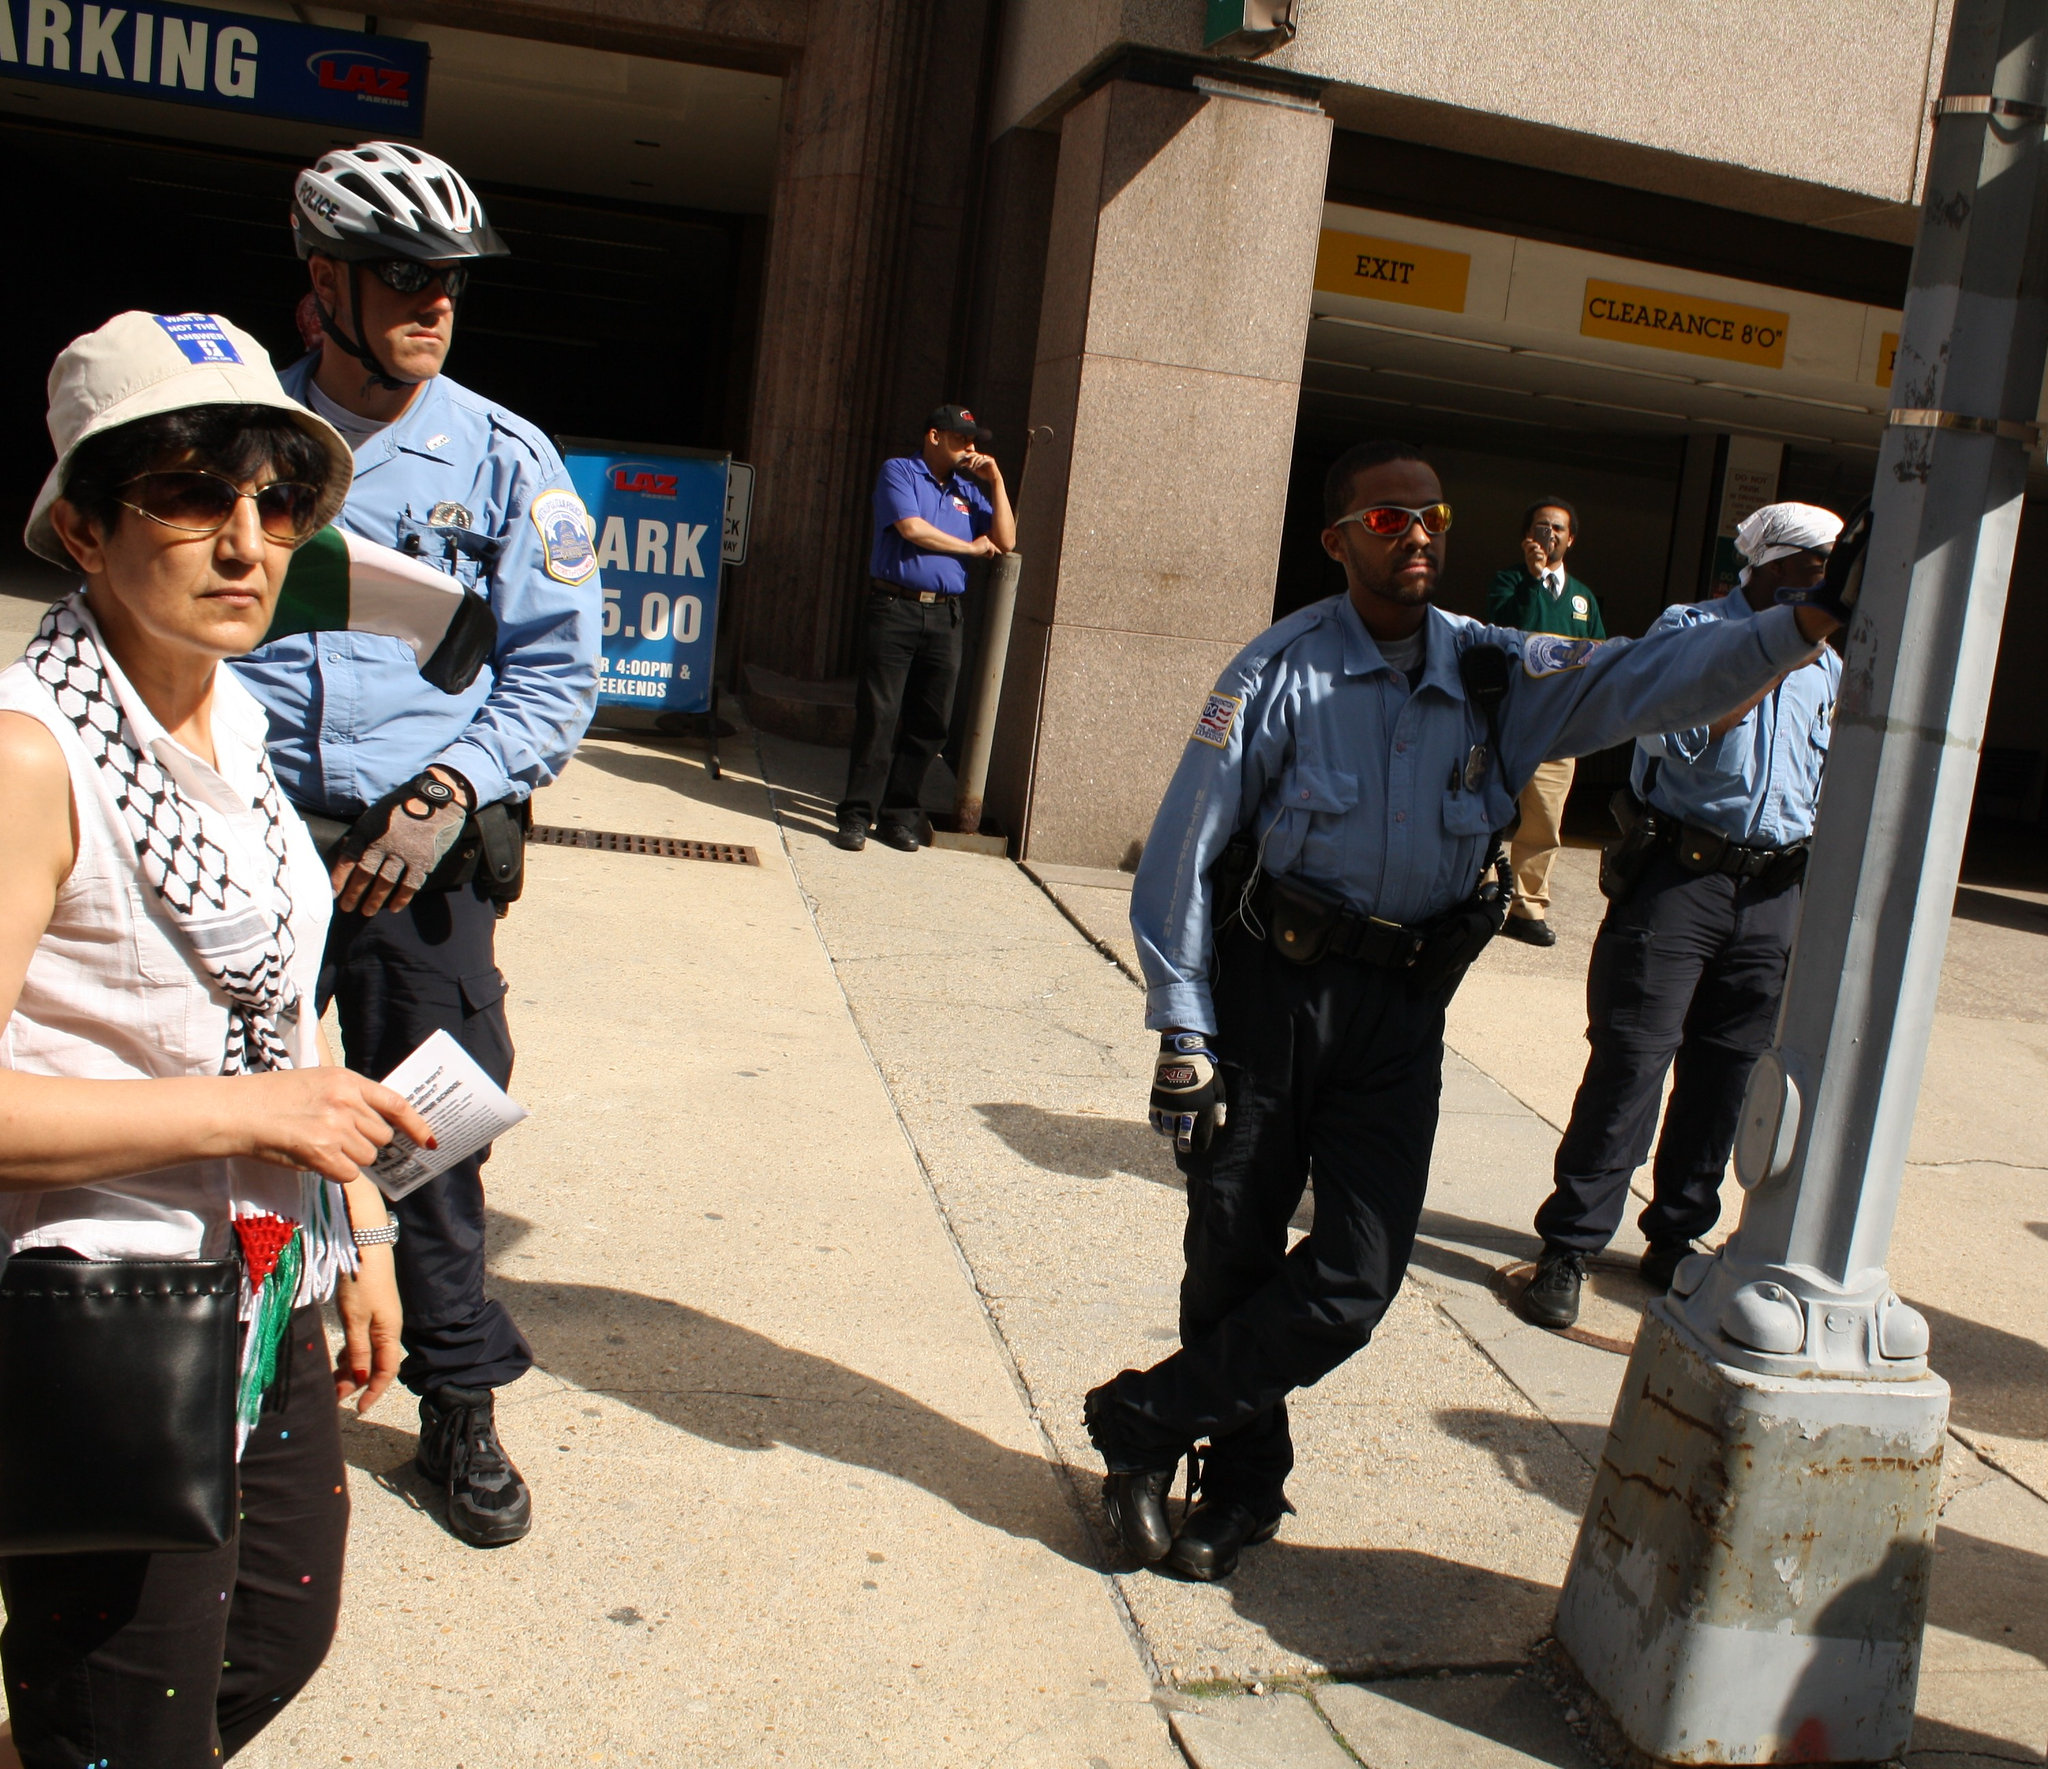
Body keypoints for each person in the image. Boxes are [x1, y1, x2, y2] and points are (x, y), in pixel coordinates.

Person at [1085, 443, 1841, 1583]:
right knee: (1230, 1250)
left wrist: (1805, 621)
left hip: (1396, 1014)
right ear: (1336, 540)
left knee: (1353, 1277)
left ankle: (1141, 1419)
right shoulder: (1277, 670)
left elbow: (1653, 677)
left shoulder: (1498, 672)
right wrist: (1181, 1029)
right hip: (1268, 997)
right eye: (1386, 520)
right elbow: (1182, 850)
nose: (1417, 535)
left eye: (1431, 517)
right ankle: (1238, 1487)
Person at [0, 311, 426, 1767]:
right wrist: (248, 1116)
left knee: (276, 1633)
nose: (246, 538)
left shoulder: (239, 726)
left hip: (261, 1272)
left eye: (276, 497)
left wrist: (356, 1222)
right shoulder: (26, 752)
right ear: (81, 524)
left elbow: (284, 1002)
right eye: (190, 492)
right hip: (102, 1319)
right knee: (128, 1714)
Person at [231, 142, 602, 1548]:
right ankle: (227, 1386)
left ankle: (458, 1405)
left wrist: (450, 790)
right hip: (250, 837)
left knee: (430, 1141)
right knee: (230, 1125)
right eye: (402, 275)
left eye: (449, 278)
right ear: (320, 281)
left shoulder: (505, 459)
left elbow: (560, 669)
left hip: (419, 851)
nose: (433, 302)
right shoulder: (236, 431)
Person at [1520, 501, 1843, 1330]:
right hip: (1682, 876)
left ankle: (1676, 1236)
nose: (1832, 581)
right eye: (1819, 563)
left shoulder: (1834, 666)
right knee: (1631, 1060)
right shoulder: (1692, 628)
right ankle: (1571, 1243)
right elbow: (1685, 733)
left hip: (1771, 891)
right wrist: (1778, 647)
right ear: (1773, 563)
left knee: (1727, 1074)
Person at [832, 405, 1015, 852]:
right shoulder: (899, 471)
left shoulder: (968, 492)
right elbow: (912, 529)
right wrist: (970, 549)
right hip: (894, 607)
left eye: (975, 441)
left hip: (945, 616)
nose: (971, 448)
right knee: (880, 715)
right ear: (934, 436)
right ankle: (857, 816)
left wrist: (997, 481)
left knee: (930, 723)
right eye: (960, 439)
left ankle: (898, 816)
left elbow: (1007, 540)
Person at [1486, 499, 1606, 947]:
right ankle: (1474, 893)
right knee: (1487, 811)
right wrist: (1534, 581)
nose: (1549, 535)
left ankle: (1526, 907)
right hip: (1509, 721)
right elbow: (1514, 633)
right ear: (1526, 536)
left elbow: (1596, 653)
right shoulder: (1509, 583)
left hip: (1557, 729)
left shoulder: (1582, 598)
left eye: (1558, 528)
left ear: (1570, 538)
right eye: (1540, 527)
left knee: (1544, 823)